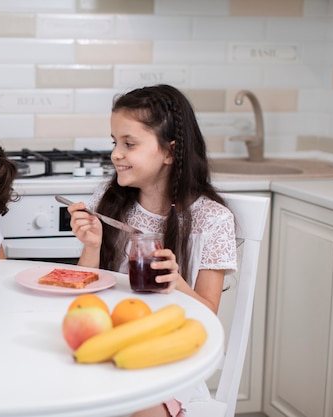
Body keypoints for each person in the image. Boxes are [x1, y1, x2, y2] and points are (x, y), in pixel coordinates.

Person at [66, 84, 237, 417]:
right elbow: (87, 289)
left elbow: (208, 315)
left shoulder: (212, 220)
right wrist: (92, 247)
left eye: (129, 144)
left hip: (169, 358)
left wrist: (177, 283)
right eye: (114, 142)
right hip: (110, 339)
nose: (116, 154)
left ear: (170, 152)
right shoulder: (115, 202)